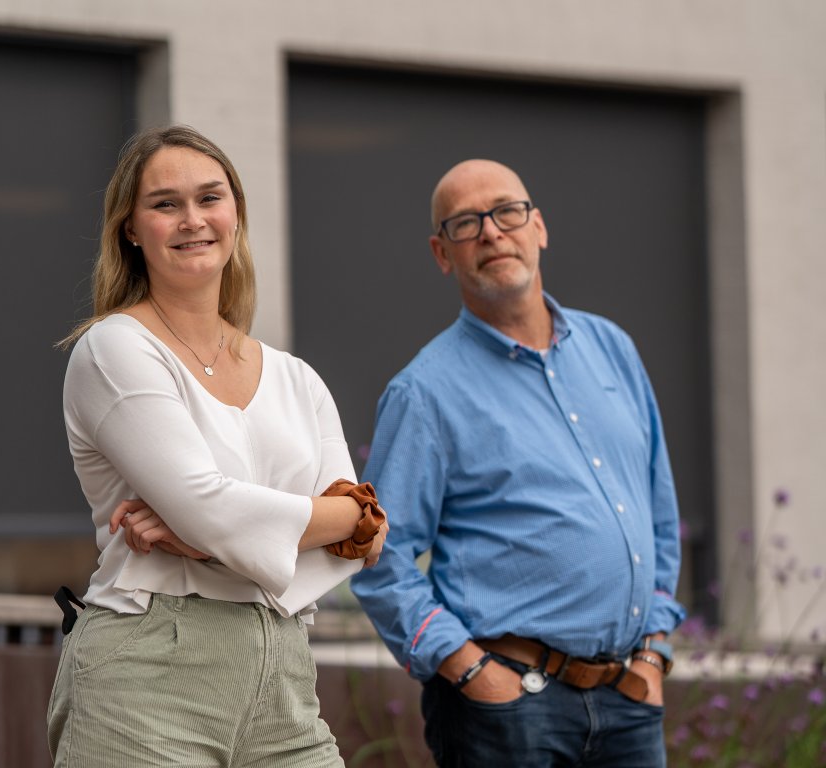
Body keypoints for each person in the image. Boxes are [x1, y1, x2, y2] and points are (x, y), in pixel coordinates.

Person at [47, 124, 387, 768]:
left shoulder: (295, 377)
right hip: (150, 667)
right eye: (165, 203)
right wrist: (326, 520)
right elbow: (211, 504)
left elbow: (367, 539)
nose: (192, 220)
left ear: (235, 215)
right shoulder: (115, 349)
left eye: (210, 198)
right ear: (130, 228)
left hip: (283, 674)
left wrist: (208, 539)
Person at [350, 159, 685, 767]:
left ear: (539, 227)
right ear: (441, 253)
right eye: (465, 223)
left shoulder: (613, 349)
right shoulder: (423, 393)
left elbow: (657, 508)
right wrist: (471, 669)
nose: (491, 231)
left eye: (507, 212)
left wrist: (655, 648)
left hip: (630, 700)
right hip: (508, 713)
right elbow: (380, 557)